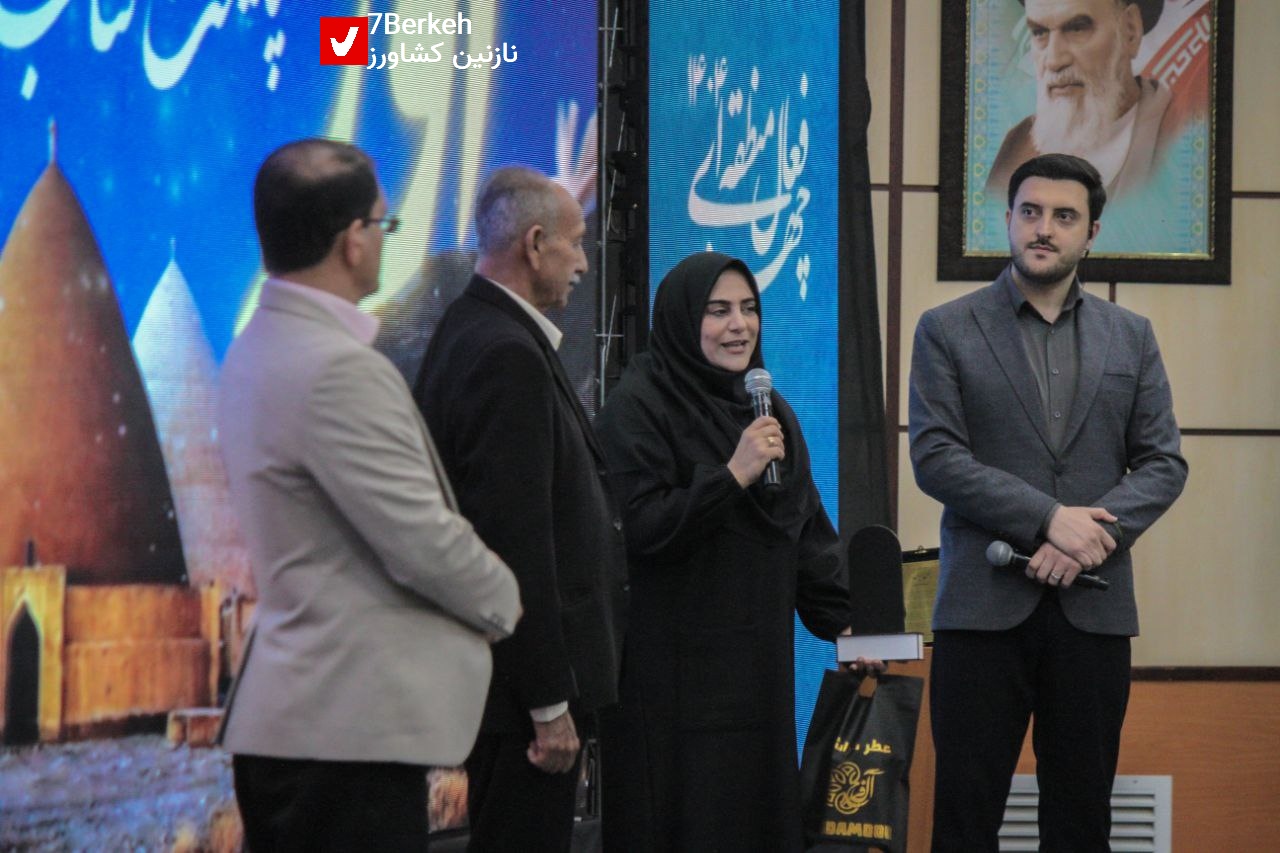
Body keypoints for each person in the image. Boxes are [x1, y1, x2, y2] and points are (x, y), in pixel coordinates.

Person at [216, 138, 522, 852]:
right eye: (384, 223)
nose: (387, 240)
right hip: (345, 734)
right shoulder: (336, 369)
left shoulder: (254, 349)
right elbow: (422, 540)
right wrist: (507, 602)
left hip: (296, 724)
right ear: (353, 239)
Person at [909, 153, 1187, 851]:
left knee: (1081, 822)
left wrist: (1089, 539)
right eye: (1030, 212)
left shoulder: (1132, 336)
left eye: (1065, 216)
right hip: (981, 612)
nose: (1044, 228)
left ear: (1091, 233)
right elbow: (936, 457)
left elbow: (1163, 462)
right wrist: (1049, 519)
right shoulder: (946, 328)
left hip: (1093, 611)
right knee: (964, 821)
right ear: (1008, 219)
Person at [594, 251, 860, 852]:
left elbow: (805, 534)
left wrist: (848, 625)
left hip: (755, 679)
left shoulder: (770, 412)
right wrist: (732, 475)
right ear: (682, 321)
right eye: (717, 311)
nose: (739, 325)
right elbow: (640, 530)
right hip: (670, 685)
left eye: (748, 308)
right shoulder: (638, 406)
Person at [412, 166, 627, 852]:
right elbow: (514, 543)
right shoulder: (505, 352)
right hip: (519, 708)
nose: (584, 263)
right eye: (576, 242)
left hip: (501, 694)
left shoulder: (475, 329)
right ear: (535, 244)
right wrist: (548, 701)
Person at [987, 0, 1177, 203]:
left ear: (1129, 31)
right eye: (1040, 33)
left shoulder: (1176, 135)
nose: (1054, 60)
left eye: (1077, 29)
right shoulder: (1019, 144)